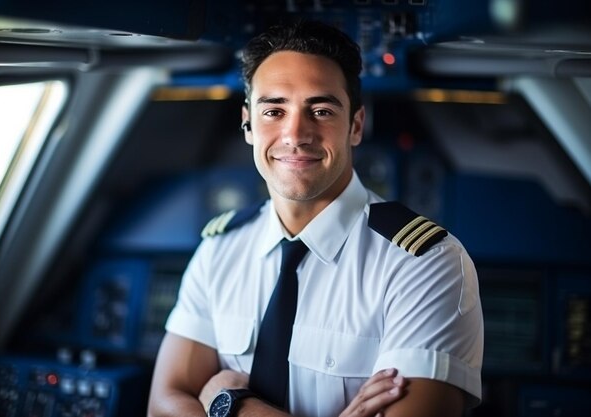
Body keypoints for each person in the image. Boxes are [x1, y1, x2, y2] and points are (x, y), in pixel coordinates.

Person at [147, 20, 483, 417]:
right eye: (274, 110)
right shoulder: (219, 251)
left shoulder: (424, 264)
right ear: (248, 125)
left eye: (321, 110)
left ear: (355, 126)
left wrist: (230, 405)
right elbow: (162, 405)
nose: (295, 134)